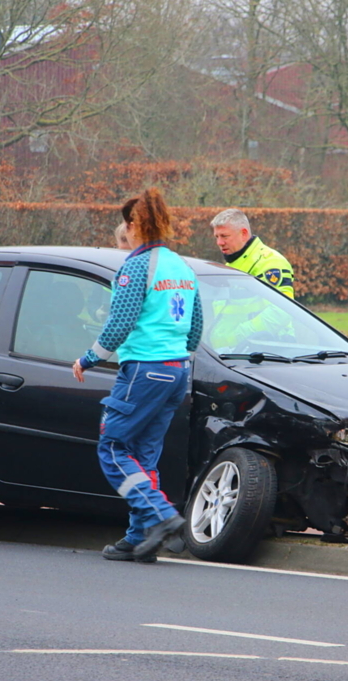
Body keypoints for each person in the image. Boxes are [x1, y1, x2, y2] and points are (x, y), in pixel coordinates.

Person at [73, 188, 203, 562]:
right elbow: (196, 325)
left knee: (112, 448)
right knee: (143, 456)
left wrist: (88, 359)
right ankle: (139, 538)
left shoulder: (135, 266)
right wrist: (178, 360)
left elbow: (120, 323)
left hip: (143, 371)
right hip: (176, 371)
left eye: (127, 225)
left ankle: (161, 517)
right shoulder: (181, 265)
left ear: (133, 225)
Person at [211, 208, 295, 298]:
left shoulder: (271, 262)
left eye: (224, 236)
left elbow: (280, 309)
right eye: (217, 237)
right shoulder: (230, 265)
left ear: (243, 234)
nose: (219, 242)